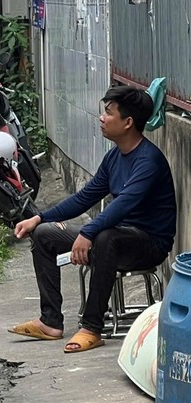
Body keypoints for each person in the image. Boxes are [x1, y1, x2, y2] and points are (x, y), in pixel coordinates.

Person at [9, 86, 176, 353]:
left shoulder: (149, 161)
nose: (101, 117)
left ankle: (92, 327)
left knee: (105, 237)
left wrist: (87, 234)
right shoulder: (114, 157)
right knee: (44, 234)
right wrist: (39, 218)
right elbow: (84, 197)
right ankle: (50, 321)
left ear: (128, 122)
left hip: (148, 243)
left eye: (108, 113)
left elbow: (123, 205)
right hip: (112, 235)